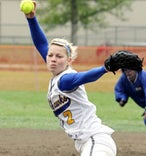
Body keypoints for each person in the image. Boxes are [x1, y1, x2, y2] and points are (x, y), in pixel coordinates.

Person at [21, 1, 117, 156]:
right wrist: (31, 18)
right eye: (50, 55)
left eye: (59, 56)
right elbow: (41, 43)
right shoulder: (57, 74)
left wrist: (104, 68)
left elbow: (84, 77)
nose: (53, 59)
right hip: (86, 144)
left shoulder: (65, 79)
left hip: (96, 141)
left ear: (69, 60)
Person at [114, 50, 146, 155]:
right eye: (125, 69)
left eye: (130, 69)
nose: (128, 72)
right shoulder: (124, 79)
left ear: (136, 68)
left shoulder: (143, 76)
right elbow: (119, 89)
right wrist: (122, 98)